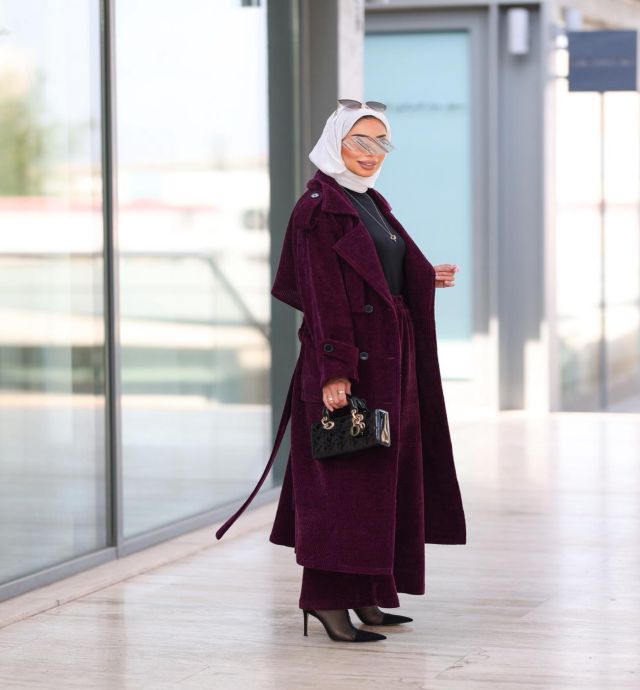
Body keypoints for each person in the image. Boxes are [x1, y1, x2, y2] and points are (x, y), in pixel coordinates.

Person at [215, 99, 466, 644]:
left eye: (381, 143)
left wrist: (423, 276)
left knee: (381, 483)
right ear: (336, 143)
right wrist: (335, 372)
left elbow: (375, 272)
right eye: (360, 141)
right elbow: (322, 295)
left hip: (390, 361)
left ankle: (369, 594)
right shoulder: (318, 208)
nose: (372, 153)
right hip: (352, 364)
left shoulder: (368, 199)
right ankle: (327, 600)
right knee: (345, 486)